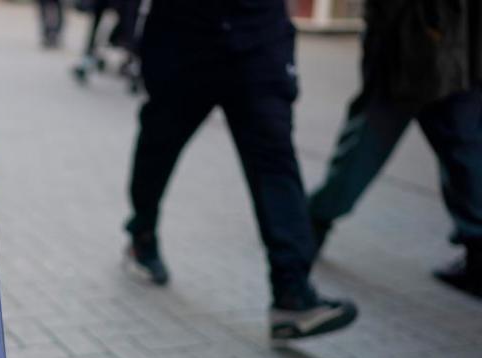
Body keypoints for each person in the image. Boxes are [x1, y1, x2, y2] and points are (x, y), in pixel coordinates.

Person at [124, 0, 358, 340]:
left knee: (275, 158)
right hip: (184, 34)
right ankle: (141, 235)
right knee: (159, 145)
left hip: (258, 37)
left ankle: (292, 294)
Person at [309, 0, 482, 298]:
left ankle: (308, 227)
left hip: (417, 43)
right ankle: (478, 249)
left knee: (366, 144)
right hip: (446, 42)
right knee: (465, 151)